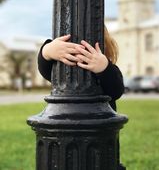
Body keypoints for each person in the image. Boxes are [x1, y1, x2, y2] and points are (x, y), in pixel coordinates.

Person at [37, 26, 126, 170]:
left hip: (100, 142)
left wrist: (104, 67)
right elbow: (46, 70)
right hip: (65, 133)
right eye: (71, 49)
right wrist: (46, 51)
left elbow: (117, 90)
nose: (79, 53)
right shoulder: (63, 70)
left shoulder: (109, 69)